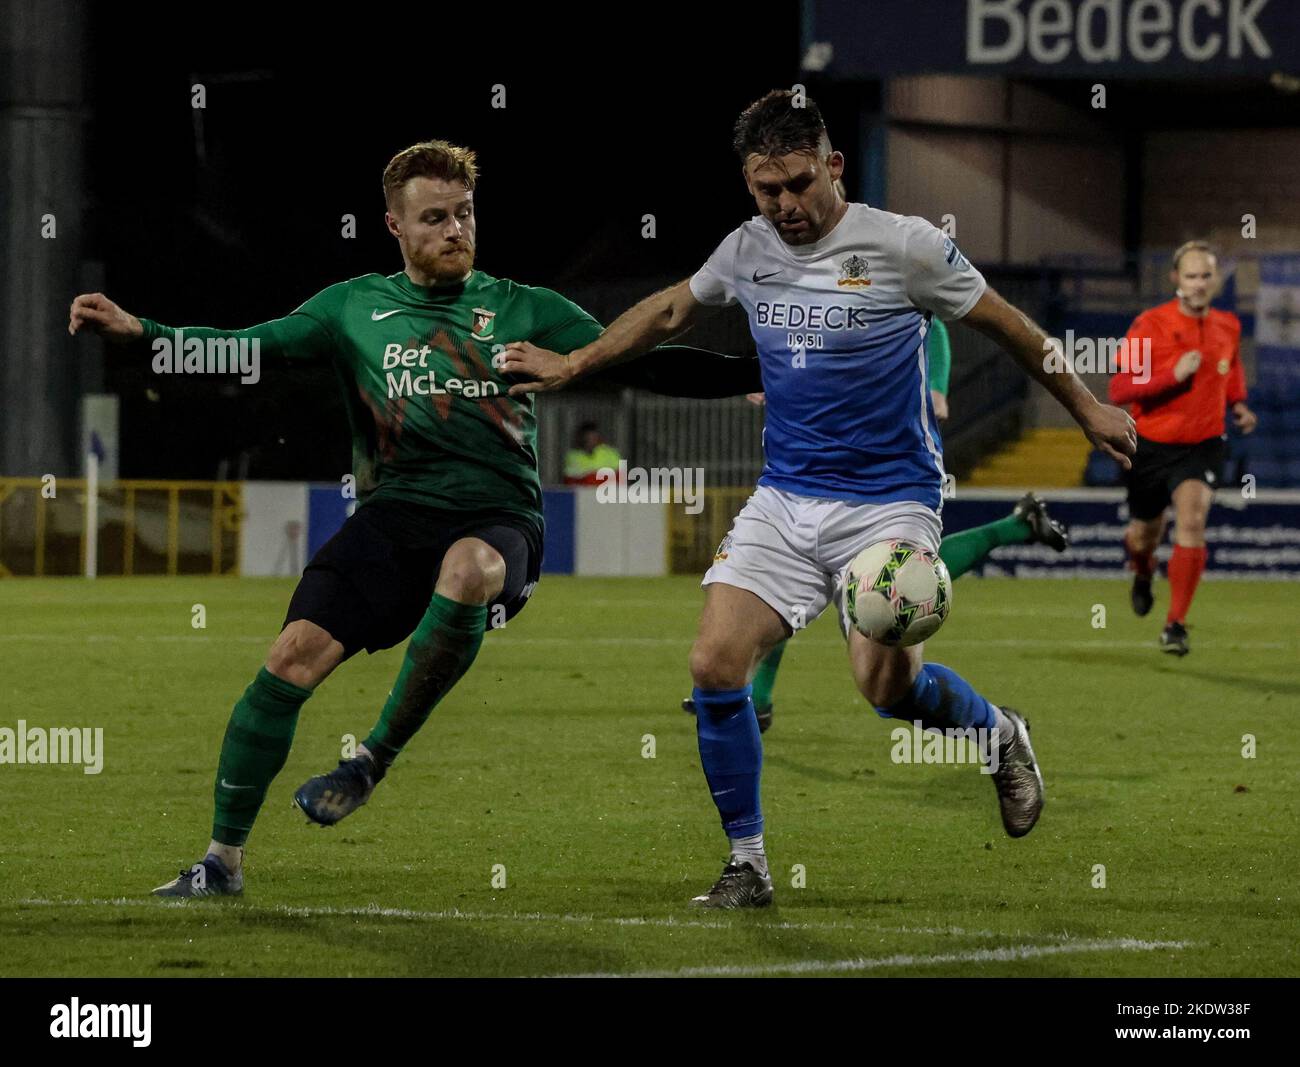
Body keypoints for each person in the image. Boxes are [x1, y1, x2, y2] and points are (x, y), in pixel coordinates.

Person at [68, 138, 760, 898]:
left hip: (500, 519)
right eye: (434, 217)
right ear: (394, 225)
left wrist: (764, 373)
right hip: (393, 519)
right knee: (289, 658)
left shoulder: (525, 307)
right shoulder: (350, 309)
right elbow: (246, 350)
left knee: (468, 571)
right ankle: (220, 861)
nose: (455, 229)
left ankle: (371, 757)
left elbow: (651, 360)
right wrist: (146, 337)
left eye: (464, 213)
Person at [502, 91, 1135, 908]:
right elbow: (668, 311)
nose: (785, 206)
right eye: (766, 191)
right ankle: (749, 864)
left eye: (799, 184)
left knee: (885, 689)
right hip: (786, 497)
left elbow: (1009, 325)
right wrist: (573, 362)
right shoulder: (746, 248)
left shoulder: (905, 246)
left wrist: (1086, 406)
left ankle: (998, 733)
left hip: (890, 503)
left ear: (833, 166)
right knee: (713, 662)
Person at [684, 317, 1071, 733]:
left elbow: (933, 354)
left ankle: (1013, 528)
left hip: (890, 476)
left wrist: (923, 386)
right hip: (813, 469)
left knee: (896, 592)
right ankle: (757, 696)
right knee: (787, 571)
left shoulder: (895, 290)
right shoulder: (804, 288)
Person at [1109, 240, 1256, 655]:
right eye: (1190, 275)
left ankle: (1175, 624)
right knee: (1143, 537)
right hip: (1151, 446)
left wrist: (1239, 404)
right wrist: (1171, 374)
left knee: (1192, 522)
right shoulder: (1148, 324)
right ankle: (1142, 571)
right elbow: (1119, 387)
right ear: (1176, 279)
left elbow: (1231, 371)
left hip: (1204, 444)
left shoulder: (1228, 325)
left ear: (1216, 279)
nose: (1198, 283)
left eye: (1206, 275)